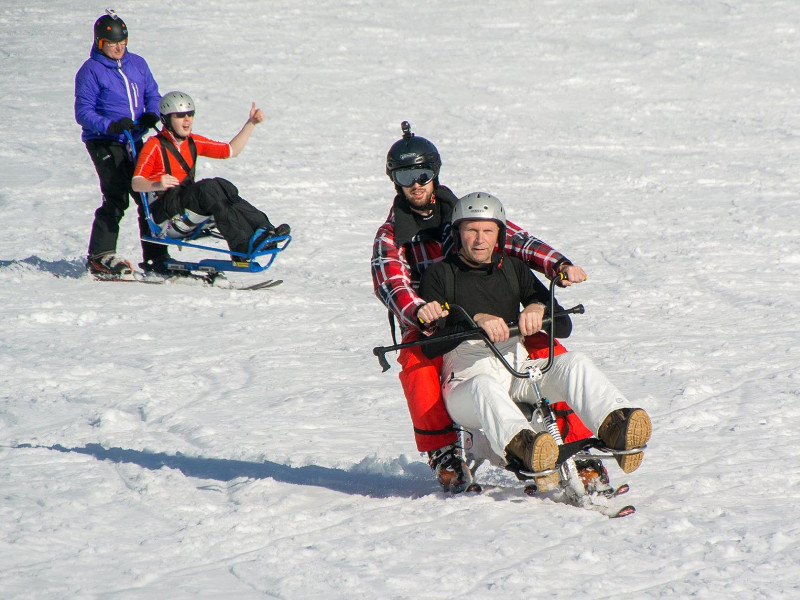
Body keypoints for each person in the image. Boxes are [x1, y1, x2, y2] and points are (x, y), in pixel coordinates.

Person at [371, 122, 589, 491]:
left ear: (435, 172)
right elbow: (392, 284)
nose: (417, 183)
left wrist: (558, 265)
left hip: (487, 304)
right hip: (435, 319)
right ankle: (444, 453)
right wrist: (419, 310)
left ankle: (575, 442)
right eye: (406, 174)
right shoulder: (391, 235)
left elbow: (515, 239)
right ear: (395, 180)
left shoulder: (464, 212)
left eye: (423, 172)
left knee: (543, 345)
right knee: (418, 364)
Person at [418, 192, 652, 491]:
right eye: (471, 230)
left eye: (488, 231)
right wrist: (475, 320)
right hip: (467, 384)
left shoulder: (513, 269)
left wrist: (537, 308)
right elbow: (430, 345)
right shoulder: (439, 274)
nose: (479, 239)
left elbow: (563, 325)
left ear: (500, 234)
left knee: (574, 362)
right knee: (484, 386)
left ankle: (616, 425)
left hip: (518, 372)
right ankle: (527, 450)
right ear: (457, 233)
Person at [131, 91, 290, 271]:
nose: (187, 120)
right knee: (209, 188)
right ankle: (243, 247)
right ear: (167, 119)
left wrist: (251, 124)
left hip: (187, 203)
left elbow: (230, 151)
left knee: (223, 187)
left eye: (190, 115)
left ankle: (264, 232)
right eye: (180, 116)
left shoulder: (193, 141)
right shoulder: (154, 145)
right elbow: (136, 182)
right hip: (165, 213)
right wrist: (157, 184)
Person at [74, 10, 164, 278]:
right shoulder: (91, 70)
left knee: (147, 196)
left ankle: (157, 256)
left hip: (135, 139)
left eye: (123, 43)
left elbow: (153, 94)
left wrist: (152, 113)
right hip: (104, 141)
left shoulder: (137, 64)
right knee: (116, 196)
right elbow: (83, 112)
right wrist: (110, 125)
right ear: (101, 43)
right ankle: (100, 256)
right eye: (113, 44)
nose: (119, 48)